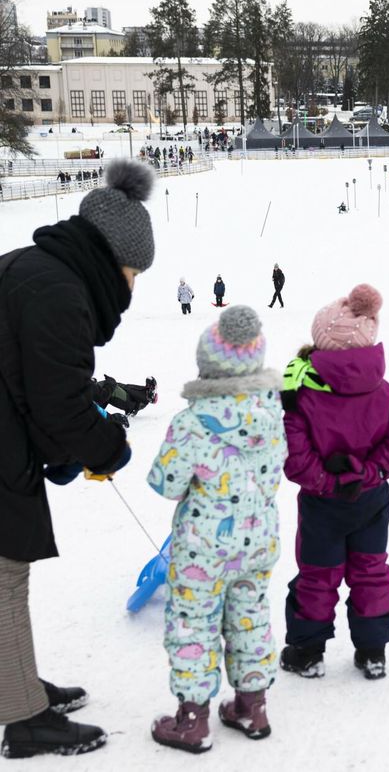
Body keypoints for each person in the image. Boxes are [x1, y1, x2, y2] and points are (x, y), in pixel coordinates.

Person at [0, 159, 154, 758]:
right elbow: (59, 403)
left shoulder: (30, 268)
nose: (133, 286)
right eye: (134, 271)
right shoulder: (60, 292)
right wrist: (106, 447)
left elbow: (31, 380)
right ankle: (24, 718)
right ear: (112, 257)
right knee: (6, 577)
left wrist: (59, 447)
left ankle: (13, 684)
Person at [147, 306, 285, 753]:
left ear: (206, 367)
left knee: (194, 623)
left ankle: (192, 720)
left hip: (203, 550)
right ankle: (252, 704)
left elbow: (166, 483)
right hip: (258, 540)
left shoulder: (190, 423)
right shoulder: (272, 413)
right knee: (250, 616)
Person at [280, 284, 389, 682]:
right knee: (370, 569)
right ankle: (372, 651)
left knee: (318, 572)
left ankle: (307, 651)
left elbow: (294, 453)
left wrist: (325, 481)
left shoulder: (301, 394)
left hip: (323, 503)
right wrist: (371, 474)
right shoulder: (384, 392)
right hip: (370, 498)